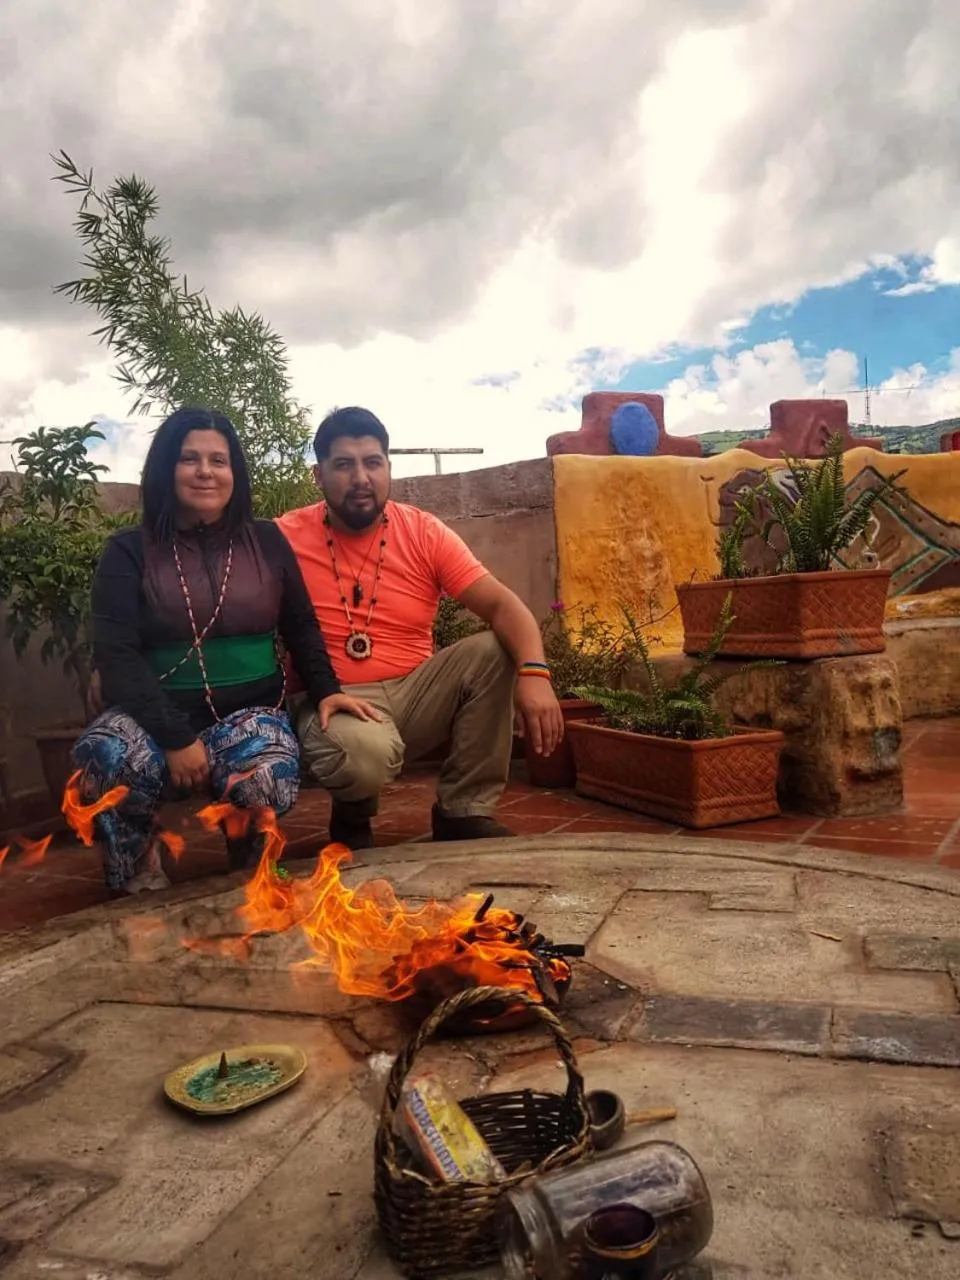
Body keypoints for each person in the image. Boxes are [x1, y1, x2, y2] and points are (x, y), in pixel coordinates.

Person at [74, 406, 377, 893]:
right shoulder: (127, 550)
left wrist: (327, 690)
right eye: (189, 458)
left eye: (218, 460)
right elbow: (117, 655)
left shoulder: (267, 541)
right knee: (108, 754)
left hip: (248, 713)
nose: (204, 471)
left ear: (233, 471)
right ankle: (136, 867)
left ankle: (250, 863)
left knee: (266, 773)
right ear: (165, 468)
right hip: (154, 719)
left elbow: (299, 625)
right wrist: (174, 737)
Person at [276, 406, 564, 851]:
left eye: (373, 462)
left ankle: (464, 810)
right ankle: (353, 811)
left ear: (389, 467)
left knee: (496, 649)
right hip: (332, 698)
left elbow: (503, 605)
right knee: (364, 755)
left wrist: (535, 675)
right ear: (318, 474)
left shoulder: (423, 531)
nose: (360, 478)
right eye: (343, 464)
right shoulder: (284, 538)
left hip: (415, 691)